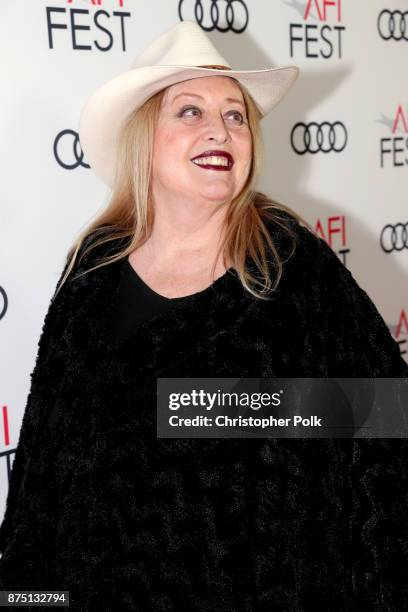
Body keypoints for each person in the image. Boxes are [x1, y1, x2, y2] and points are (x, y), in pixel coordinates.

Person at [1, 20, 407, 612]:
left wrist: (193, 404)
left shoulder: (289, 260)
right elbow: (41, 466)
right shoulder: (93, 268)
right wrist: (27, 598)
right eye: (190, 111)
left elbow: (384, 414)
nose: (220, 130)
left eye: (236, 115)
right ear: (146, 135)